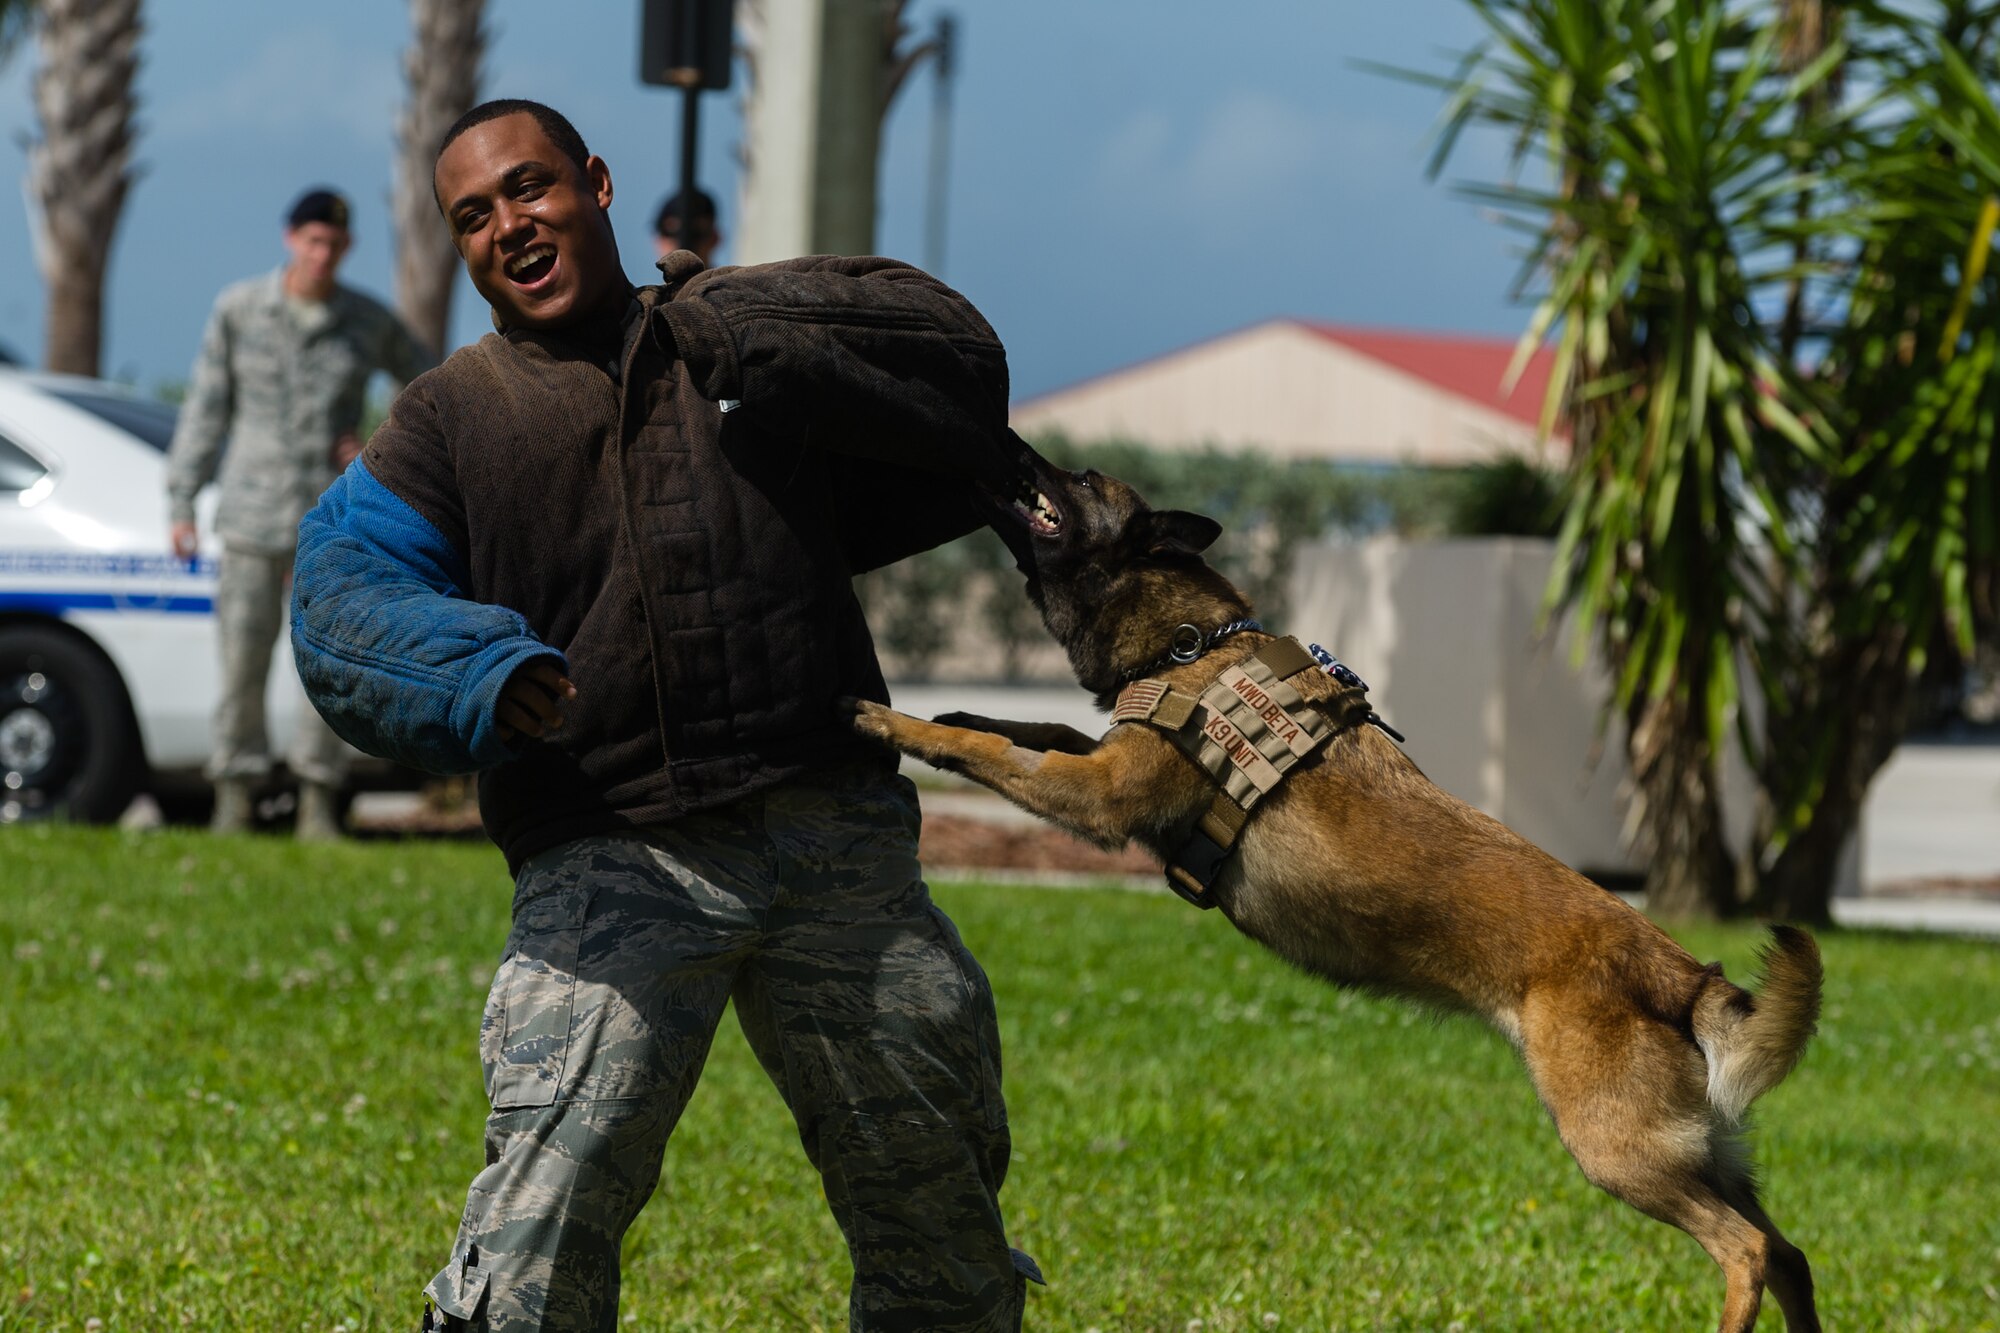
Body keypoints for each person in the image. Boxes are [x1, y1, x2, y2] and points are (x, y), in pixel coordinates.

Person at [289, 99, 1040, 1331]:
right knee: (539, 1230)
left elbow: (959, 365)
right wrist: (475, 670)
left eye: (528, 189)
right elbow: (339, 596)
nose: (506, 227)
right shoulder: (451, 416)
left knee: (941, 1222)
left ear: (592, 183)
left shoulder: (737, 351)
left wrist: (763, 316)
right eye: (470, 216)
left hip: (833, 838)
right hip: (611, 848)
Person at [166, 187, 435, 838]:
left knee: (324, 660)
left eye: (335, 245)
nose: (323, 254)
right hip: (251, 515)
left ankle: (318, 798)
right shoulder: (239, 310)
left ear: (347, 249)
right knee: (241, 662)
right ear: (291, 239)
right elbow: (207, 406)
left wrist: (379, 445)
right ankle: (235, 796)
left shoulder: (367, 320)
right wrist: (181, 497)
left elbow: (427, 386)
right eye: (313, 241)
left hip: (329, 518)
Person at [652, 185, 721, 263]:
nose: (683, 238)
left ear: (715, 238)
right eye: (672, 229)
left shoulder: (734, 275)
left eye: (696, 230)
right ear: (658, 240)